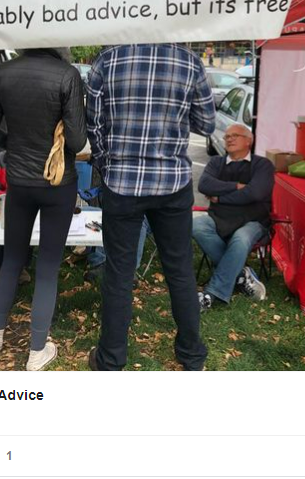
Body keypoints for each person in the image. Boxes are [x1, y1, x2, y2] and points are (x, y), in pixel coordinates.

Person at [86, 43, 216, 371]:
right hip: (172, 182)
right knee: (180, 270)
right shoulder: (189, 62)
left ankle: (111, 359)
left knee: (119, 273)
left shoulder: (108, 60)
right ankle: (191, 354)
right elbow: (207, 124)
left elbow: (94, 124)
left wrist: (106, 163)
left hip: (122, 183)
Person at [0, 47, 86, 371]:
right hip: (58, 182)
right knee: (49, 266)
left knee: (12, 257)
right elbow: (78, 142)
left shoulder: (4, 72)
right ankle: (37, 350)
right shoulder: (68, 75)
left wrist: (15, 143)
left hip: (19, 182)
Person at [193, 124, 274, 311]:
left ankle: (211, 294)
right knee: (196, 225)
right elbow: (204, 185)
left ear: (249, 140)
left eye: (235, 135)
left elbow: (255, 193)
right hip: (219, 217)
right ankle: (241, 275)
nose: (229, 139)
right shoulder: (216, 163)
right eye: (227, 136)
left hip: (254, 220)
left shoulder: (262, 165)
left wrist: (220, 197)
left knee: (240, 238)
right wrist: (237, 186)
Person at [0, 151, 32, 285]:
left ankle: (21, 268)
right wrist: (1, 198)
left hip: (30, 205)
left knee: (30, 230)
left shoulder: (36, 157)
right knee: (2, 228)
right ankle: (0, 268)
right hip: (4, 205)